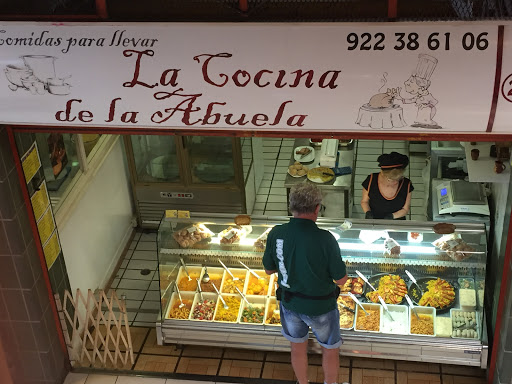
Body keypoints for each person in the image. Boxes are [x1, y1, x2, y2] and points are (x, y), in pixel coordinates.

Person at [263, 182, 348, 384]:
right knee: (330, 349)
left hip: (290, 304)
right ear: (317, 208)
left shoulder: (276, 233)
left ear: (291, 206)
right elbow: (341, 279)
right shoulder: (326, 239)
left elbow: (268, 269)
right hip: (322, 308)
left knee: (297, 348)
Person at [361, 151, 414, 220]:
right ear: (382, 173)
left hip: (396, 222)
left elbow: (405, 209)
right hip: (373, 221)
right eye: (390, 179)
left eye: (397, 179)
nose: (394, 182)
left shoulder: (406, 184)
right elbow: (364, 201)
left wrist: (392, 216)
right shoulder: (371, 180)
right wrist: (368, 212)